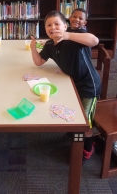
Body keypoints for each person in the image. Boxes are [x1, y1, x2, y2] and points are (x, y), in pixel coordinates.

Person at [30, 10, 101, 162]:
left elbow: (94, 41)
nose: (53, 27)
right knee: (74, 110)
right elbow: (39, 62)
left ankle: (88, 149)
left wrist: (68, 35)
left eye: (57, 24)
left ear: (65, 26)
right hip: (72, 83)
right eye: (49, 25)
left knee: (85, 123)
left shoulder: (74, 39)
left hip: (89, 86)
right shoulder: (50, 45)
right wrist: (33, 48)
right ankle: (75, 133)